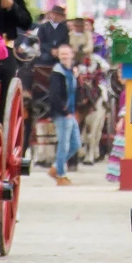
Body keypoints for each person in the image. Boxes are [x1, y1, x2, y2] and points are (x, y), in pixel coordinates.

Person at [47, 42, 80, 184]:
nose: (65, 56)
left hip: (71, 112)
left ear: (72, 55)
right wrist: (64, 110)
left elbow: (75, 91)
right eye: (62, 54)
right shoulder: (57, 72)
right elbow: (55, 95)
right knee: (64, 145)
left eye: (67, 53)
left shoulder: (71, 71)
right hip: (62, 114)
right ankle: (61, 175)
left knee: (76, 144)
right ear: (59, 56)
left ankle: (55, 167)